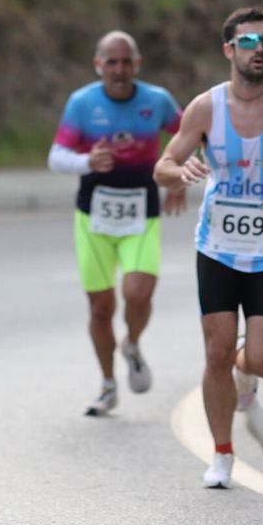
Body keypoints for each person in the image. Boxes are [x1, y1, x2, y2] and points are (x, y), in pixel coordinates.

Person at [155, 7, 263, 489]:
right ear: (229, 50)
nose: (260, 51)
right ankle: (223, 454)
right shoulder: (205, 108)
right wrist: (181, 172)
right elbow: (163, 166)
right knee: (214, 351)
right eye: (250, 43)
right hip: (217, 247)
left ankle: (244, 370)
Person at [48, 31, 184, 417]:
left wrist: (177, 177)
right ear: (98, 65)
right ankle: (108, 386)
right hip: (94, 217)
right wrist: (86, 162)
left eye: (126, 62)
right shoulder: (82, 103)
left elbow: (195, 133)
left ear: (137, 65)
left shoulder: (156, 101)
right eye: (112, 62)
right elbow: (56, 156)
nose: (119, 70)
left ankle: (133, 343)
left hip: (141, 212)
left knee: (138, 293)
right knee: (100, 308)